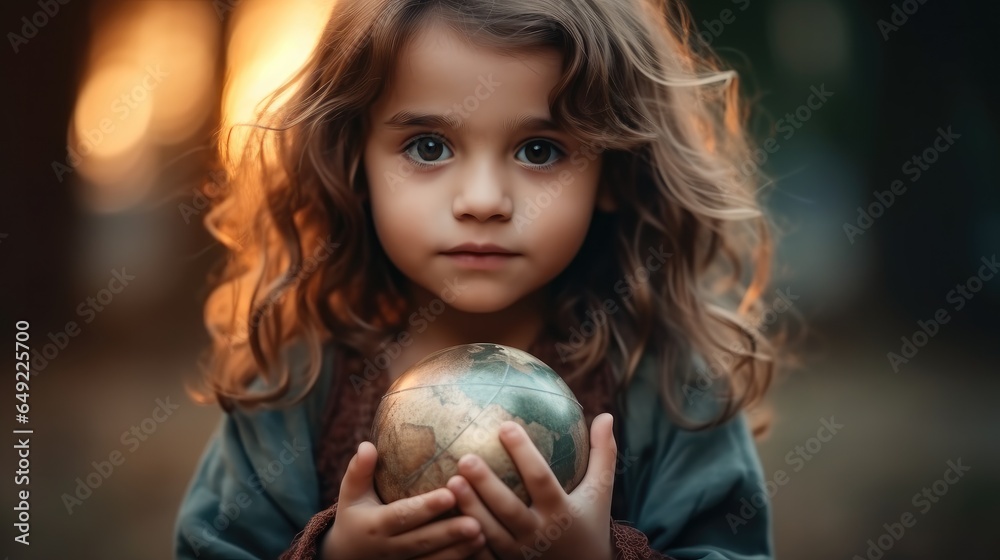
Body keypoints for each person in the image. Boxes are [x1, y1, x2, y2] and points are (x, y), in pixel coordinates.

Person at [174, 0, 782, 558]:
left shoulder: (672, 382)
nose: (483, 200)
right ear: (352, 163)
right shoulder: (296, 380)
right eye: (429, 146)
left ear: (616, 174)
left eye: (540, 151)